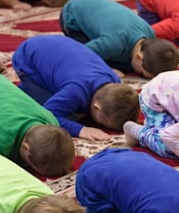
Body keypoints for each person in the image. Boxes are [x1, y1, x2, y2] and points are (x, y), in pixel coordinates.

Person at [12, 35, 140, 142]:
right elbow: (49, 114)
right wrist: (80, 130)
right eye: (104, 123)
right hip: (27, 60)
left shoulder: (113, 79)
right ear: (96, 107)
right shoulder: (76, 91)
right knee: (67, 117)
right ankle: (24, 90)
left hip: (57, 45)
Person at [60, 0, 179, 76]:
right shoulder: (114, 43)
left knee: (125, 63)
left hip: (99, 11)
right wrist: (106, 69)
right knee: (89, 65)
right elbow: (81, 54)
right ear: (139, 57)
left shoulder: (150, 33)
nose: (140, 75)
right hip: (72, 17)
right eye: (142, 73)